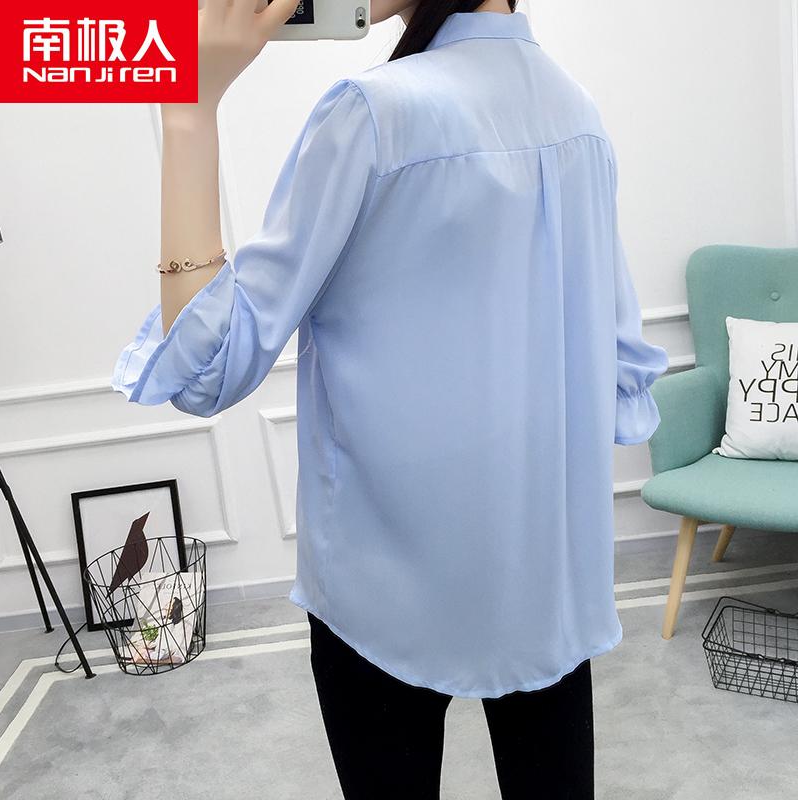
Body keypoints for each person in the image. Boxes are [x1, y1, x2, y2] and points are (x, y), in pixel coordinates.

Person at [111, 0, 670, 797]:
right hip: (546, 571)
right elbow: (621, 367)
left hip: (382, 580)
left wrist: (189, 111)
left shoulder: (371, 116)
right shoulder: (578, 113)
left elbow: (206, 371)